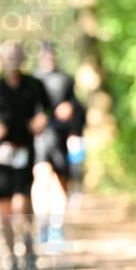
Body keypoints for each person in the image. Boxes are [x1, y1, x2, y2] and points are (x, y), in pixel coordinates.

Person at [0, 42, 50, 270]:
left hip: (25, 151)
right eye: (8, 56)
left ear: (23, 58)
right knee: (5, 210)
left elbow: (48, 110)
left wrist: (41, 120)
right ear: (0, 59)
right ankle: (12, 260)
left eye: (17, 56)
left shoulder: (34, 85)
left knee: (22, 204)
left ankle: (28, 247)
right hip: (1, 155)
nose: (13, 60)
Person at [32, 41, 86, 243]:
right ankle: (42, 225)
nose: (49, 58)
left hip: (61, 136)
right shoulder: (33, 80)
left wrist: (75, 130)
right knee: (41, 176)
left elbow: (77, 108)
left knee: (59, 181)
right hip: (39, 137)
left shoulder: (66, 79)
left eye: (52, 55)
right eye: (46, 55)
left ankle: (56, 227)